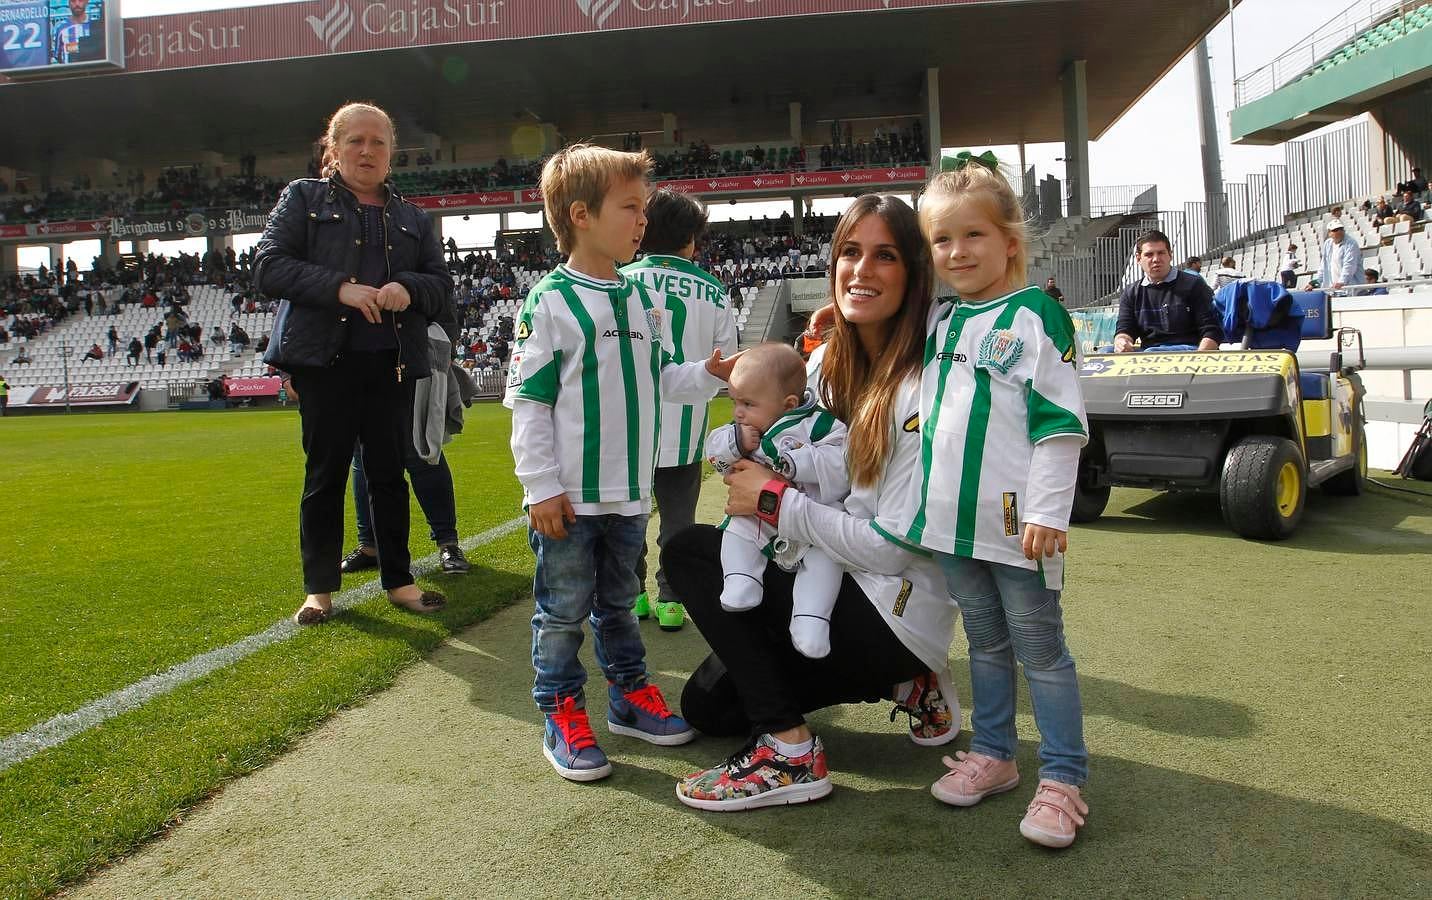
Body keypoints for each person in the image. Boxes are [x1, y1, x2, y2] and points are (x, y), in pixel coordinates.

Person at [669, 194, 961, 815]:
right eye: (850, 253)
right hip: (818, 576)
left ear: (913, 271)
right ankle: (906, 686)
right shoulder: (826, 362)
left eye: (885, 256)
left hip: (892, 605)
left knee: (690, 553)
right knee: (708, 709)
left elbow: (888, 547)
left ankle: (789, 751)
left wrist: (771, 499)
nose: (862, 270)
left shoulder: (927, 383)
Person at [504, 144, 736, 782]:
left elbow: (663, 378)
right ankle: (560, 709)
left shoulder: (638, 299)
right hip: (572, 500)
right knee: (563, 611)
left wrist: (710, 374)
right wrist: (541, 488)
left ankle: (630, 698)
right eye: (630, 207)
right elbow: (528, 402)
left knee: (619, 601)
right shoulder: (550, 302)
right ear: (580, 215)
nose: (642, 220)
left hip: (631, 494)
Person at [879, 160, 1090, 847]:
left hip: (1018, 529)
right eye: (941, 240)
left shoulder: (1036, 315)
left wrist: (1047, 512)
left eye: (973, 235)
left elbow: (1059, 423)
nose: (957, 252)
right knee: (987, 645)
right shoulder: (940, 322)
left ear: (1010, 241)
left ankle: (1061, 779)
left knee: (1042, 650)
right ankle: (996, 756)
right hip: (951, 527)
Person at [254, 101, 455, 626]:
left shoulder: (414, 218)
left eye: (379, 142)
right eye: (356, 141)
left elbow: (441, 288)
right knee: (325, 477)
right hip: (325, 364)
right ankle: (319, 589)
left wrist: (404, 290)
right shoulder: (302, 198)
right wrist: (340, 289)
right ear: (334, 149)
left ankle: (399, 581)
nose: (367, 151)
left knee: (390, 477)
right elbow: (268, 266)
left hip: (390, 364)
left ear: (392, 153)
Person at [620, 188, 738, 631]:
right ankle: (672, 597)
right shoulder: (713, 290)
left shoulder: (623, 280)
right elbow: (727, 362)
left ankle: (633, 596)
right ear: (691, 239)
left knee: (630, 511)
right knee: (678, 519)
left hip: (632, 426)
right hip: (686, 429)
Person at [705, 343, 847, 658]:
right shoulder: (741, 429)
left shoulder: (820, 425)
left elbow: (841, 463)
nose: (738, 411)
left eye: (748, 403)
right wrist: (734, 444)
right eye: (734, 401)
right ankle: (741, 580)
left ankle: (811, 619)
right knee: (737, 530)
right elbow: (715, 455)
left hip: (809, 520)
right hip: (757, 517)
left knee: (826, 560)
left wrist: (797, 463)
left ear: (789, 403)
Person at [1114, 230, 1221, 352]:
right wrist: (1122, 342)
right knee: (1105, 353)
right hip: (1148, 353)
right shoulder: (1131, 292)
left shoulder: (1194, 284)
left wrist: (1199, 358)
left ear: (1170, 255)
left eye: (1161, 253)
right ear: (1138, 258)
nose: (1156, 259)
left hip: (1190, 350)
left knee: (1152, 351)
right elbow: (1125, 329)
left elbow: (1212, 331)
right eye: (1149, 255)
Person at [1319, 220, 1363, 294]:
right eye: (1335, 230)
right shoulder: (1328, 244)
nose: (1339, 231)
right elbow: (1324, 265)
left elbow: (1350, 265)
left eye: (1341, 229)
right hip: (1335, 290)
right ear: (1329, 233)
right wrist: (1315, 282)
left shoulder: (1351, 243)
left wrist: (1342, 281)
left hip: (1351, 289)